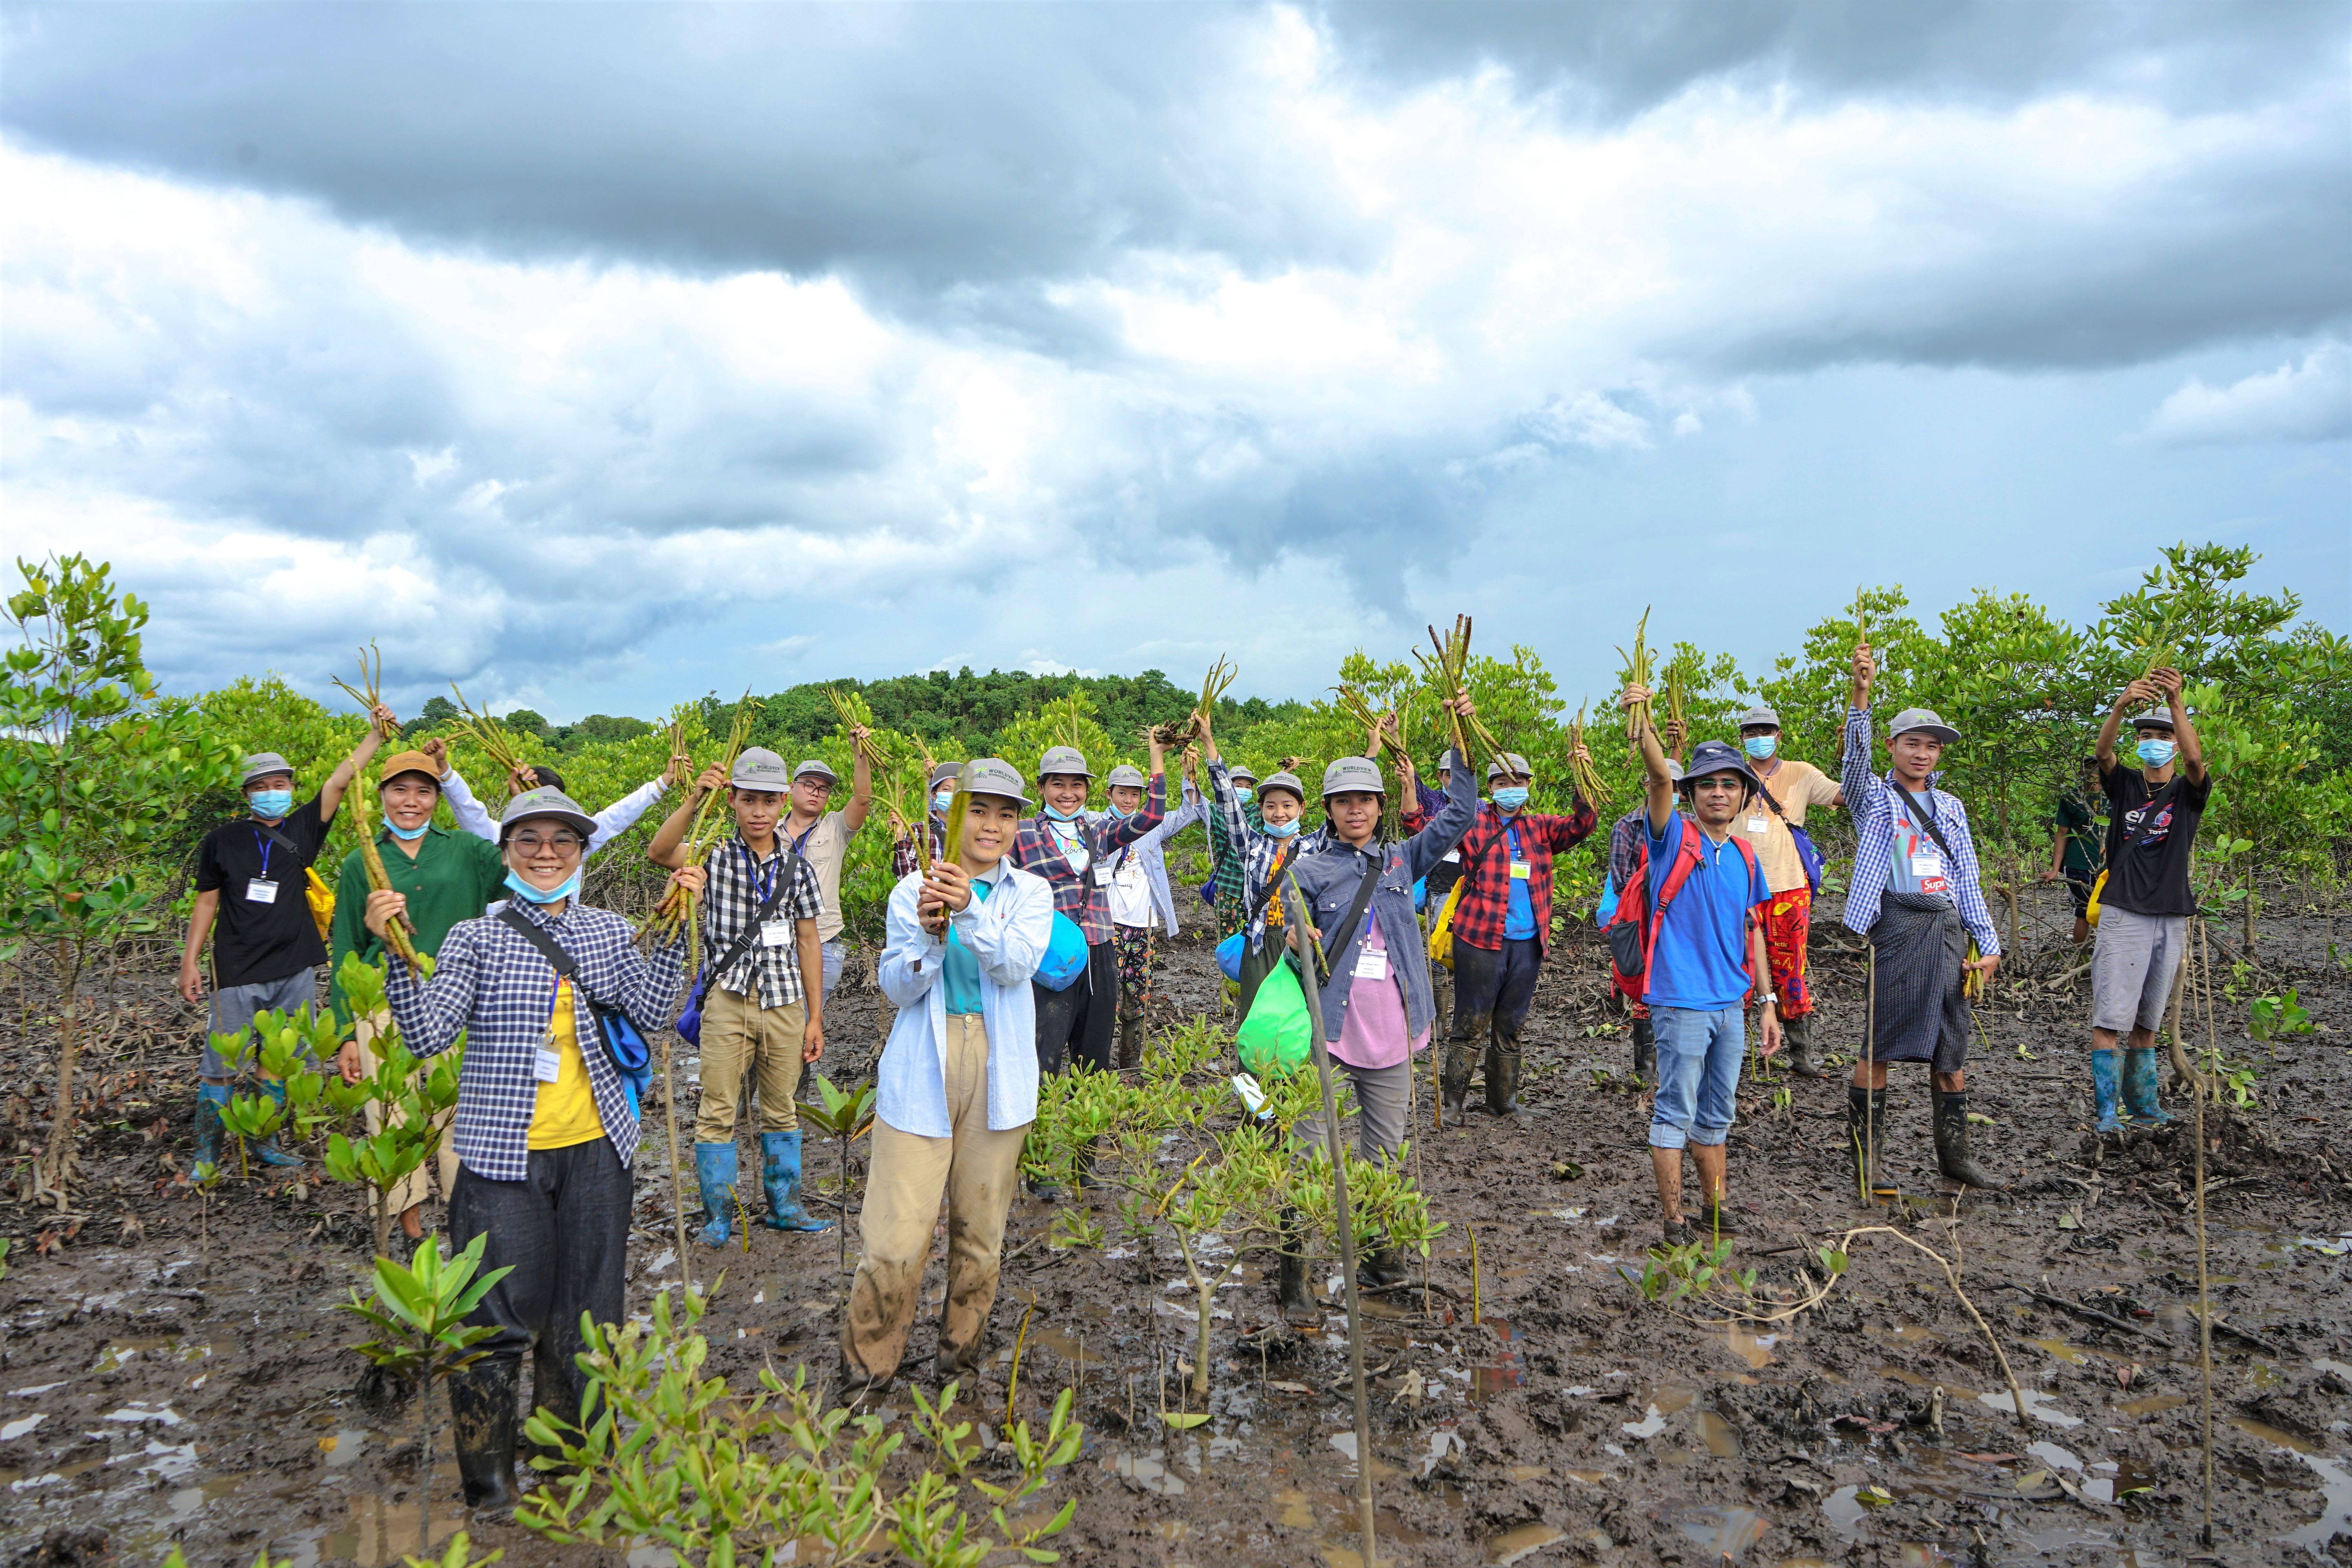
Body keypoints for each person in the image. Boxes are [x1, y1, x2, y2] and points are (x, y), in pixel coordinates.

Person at [357, 786, 699, 1512]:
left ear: (581, 853)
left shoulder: (609, 931)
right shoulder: (474, 937)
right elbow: (424, 1036)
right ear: (506, 852)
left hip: (597, 1150)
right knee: (495, 1322)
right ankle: (489, 1487)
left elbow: (655, 1012)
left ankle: (571, 1464)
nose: (547, 854)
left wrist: (674, 928)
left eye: (563, 842)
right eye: (530, 841)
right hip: (499, 1157)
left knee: (588, 1314)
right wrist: (393, 950)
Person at [841, 758, 1054, 1394]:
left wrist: (968, 913)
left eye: (1006, 813)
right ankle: (866, 1372)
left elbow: (1016, 968)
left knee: (981, 1238)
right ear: (952, 815)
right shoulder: (912, 892)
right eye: (978, 810)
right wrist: (931, 939)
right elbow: (897, 987)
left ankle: (958, 1363)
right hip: (922, 1068)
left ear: (1018, 824)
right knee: (893, 1242)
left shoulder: (1031, 894)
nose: (992, 825)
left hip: (999, 1067)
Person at [1283, 695, 1479, 1306]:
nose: (1356, 811)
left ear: (1380, 805)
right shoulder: (1308, 869)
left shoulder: (1401, 858)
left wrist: (1459, 729)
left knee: (1383, 1153)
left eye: (1365, 800)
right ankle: (1296, 1274)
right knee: (1310, 1154)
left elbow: (1462, 815)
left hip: (1394, 1036)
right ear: (1330, 810)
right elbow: (1290, 934)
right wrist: (1297, 937)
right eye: (1344, 802)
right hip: (1330, 1034)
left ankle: (1378, 1259)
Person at [180, 713, 393, 1171]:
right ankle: (207, 1155)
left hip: (295, 966)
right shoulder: (221, 840)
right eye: (262, 786)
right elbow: (206, 904)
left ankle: (264, 1142)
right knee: (219, 1064)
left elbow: (339, 780)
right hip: (235, 967)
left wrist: (375, 735)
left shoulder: (302, 830)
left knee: (277, 1062)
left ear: (292, 789)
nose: (273, 792)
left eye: (281, 783)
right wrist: (190, 962)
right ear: (246, 795)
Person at [328, 739, 512, 1240]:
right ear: (381, 796)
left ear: (437, 796)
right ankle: (410, 1232)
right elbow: (346, 946)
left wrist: (522, 805)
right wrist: (347, 1031)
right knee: (392, 1118)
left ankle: (467, 1225)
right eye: (399, 790)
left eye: (424, 791)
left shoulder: (468, 850)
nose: (411, 801)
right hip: (385, 1003)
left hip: (460, 1000)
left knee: (461, 1115)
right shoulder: (358, 862)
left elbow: (525, 877)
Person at [1616, 685, 1780, 1244]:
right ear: (1692, 794)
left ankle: (1716, 1209)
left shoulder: (1744, 855)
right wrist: (1645, 722)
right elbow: (1660, 779)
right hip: (1679, 1000)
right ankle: (1673, 1218)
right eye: (1707, 784)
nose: (1717, 793)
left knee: (1718, 1113)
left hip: (1730, 1005)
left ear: (1744, 795)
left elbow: (1751, 931)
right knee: (1675, 1109)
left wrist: (1767, 1002)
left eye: (1728, 785)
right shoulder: (1672, 839)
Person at [648, 747, 829, 1245]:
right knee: (718, 1109)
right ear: (733, 800)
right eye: (748, 800)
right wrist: (692, 799)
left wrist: (815, 1017)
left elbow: (809, 941)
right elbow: (660, 852)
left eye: (769, 801)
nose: (759, 812)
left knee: (782, 1108)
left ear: (783, 802)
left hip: (786, 1001)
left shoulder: (799, 867)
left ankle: (785, 1207)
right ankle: (718, 1217)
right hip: (728, 997)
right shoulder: (713, 853)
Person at [1839, 643, 2002, 1191]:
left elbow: (1967, 880)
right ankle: (1869, 1163)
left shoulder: (1952, 808)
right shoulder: (1875, 800)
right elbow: (1854, 766)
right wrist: (1861, 694)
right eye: (1913, 744)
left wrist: (1989, 941)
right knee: (1879, 1042)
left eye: (1932, 746)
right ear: (1893, 747)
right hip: (1897, 925)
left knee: (1951, 1048)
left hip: (1948, 928)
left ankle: (1954, 1158)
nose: (1923, 754)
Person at [1428, 748, 1596, 1119]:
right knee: (1470, 1023)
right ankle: (1453, 1106)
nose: (1511, 788)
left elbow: (1583, 825)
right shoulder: (1472, 824)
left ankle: (1503, 1102)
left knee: (1511, 1025)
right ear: (1490, 788)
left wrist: (1581, 772)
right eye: (1503, 783)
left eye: (1518, 782)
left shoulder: (1541, 827)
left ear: (1529, 786)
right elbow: (1421, 828)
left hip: (1528, 944)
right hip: (1479, 940)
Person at [2086, 670, 2210, 1131]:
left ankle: (2143, 1104)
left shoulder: (2187, 791)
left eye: (2164, 736)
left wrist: (2177, 702)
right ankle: (2106, 1111)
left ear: (2176, 743)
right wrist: (2120, 707)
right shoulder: (2126, 787)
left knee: (2149, 1018)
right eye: (2147, 736)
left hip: (2170, 912)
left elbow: (2197, 763)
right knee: (2110, 1014)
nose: (2155, 743)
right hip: (2123, 911)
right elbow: (2103, 753)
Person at [1011, 735, 1167, 1099]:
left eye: (1077, 785)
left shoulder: (1096, 831)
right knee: (1042, 1059)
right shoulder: (1022, 834)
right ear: (1041, 788)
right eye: (1058, 784)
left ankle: (1088, 1154)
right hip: (1048, 954)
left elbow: (1152, 817)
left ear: (1087, 790)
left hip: (1098, 953)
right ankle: (1037, 1146)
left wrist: (1156, 757)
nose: (1068, 793)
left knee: (1095, 1061)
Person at [1725, 706, 1845, 1080]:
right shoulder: (1730, 777)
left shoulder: (1802, 773)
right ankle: (1739, 1050)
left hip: (1789, 887)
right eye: (1750, 731)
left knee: (1790, 969)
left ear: (1778, 735)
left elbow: (1846, 796)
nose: (1758, 737)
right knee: (1736, 967)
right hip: (1736, 888)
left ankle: (1801, 1054)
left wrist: (1852, 746)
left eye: (1765, 730)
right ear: (1742, 738)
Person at [1205, 698, 1316, 1016]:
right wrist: (1210, 744)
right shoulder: (1252, 845)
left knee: (1297, 1019)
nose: (1279, 813)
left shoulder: (1316, 847)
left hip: (1301, 941)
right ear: (1261, 810)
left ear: (1301, 810)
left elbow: (1349, 810)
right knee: (1255, 1021)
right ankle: (1250, 1071)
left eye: (1287, 806)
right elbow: (1227, 802)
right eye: (1270, 806)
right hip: (1260, 942)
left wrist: (1372, 753)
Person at [1100, 752, 1206, 1070]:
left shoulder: (1153, 826)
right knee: (1104, 1000)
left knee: (1137, 998)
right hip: (1106, 927)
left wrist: (1190, 778)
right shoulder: (1096, 824)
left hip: (1142, 926)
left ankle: (1130, 1067)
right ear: (1109, 794)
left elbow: (1190, 813)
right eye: (1123, 793)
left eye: (1136, 794)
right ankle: (1097, 1067)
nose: (1130, 800)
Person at [1601, 720, 1684, 1085]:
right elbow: (1621, 880)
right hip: (1642, 918)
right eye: (1668, 784)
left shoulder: (1692, 825)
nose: (1672, 791)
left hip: (1680, 923)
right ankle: (1644, 1069)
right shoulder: (1628, 826)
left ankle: (1672, 1064)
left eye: (1679, 786)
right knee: (1642, 989)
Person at [442, 755, 686, 869]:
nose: (547, 855)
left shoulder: (577, 840)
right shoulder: (500, 837)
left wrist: (662, 783)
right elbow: (469, 812)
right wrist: (444, 772)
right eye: (529, 840)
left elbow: (617, 815)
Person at [777, 740, 875, 1004]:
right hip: (773, 944)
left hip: (823, 941)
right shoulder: (768, 831)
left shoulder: (835, 827)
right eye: (809, 785)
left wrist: (859, 752)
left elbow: (863, 800)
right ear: (791, 788)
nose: (816, 793)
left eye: (823, 789)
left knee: (808, 1024)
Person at [2040, 755, 2105, 946]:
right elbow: (2062, 833)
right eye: (2089, 771)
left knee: (2112, 913)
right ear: (2081, 773)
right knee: (2083, 913)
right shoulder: (2071, 798)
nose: (2093, 775)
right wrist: (2055, 869)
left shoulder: (2114, 797)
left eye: (2096, 770)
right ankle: (2082, 959)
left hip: (2109, 864)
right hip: (2079, 864)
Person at [893, 761, 963, 879]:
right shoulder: (919, 830)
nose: (952, 796)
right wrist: (899, 837)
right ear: (934, 795)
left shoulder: (968, 833)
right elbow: (904, 877)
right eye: (947, 790)